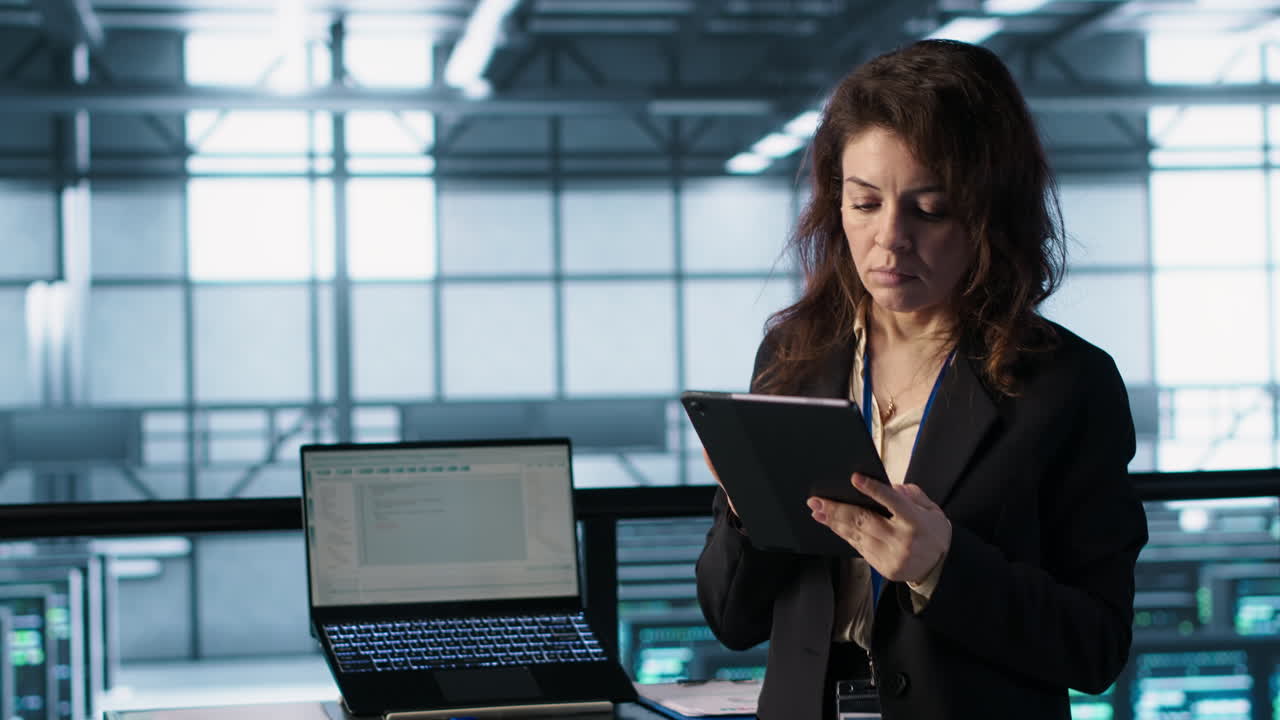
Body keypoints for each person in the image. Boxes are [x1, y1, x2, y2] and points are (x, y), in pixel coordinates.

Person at [694, 39, 1149, 720]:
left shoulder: (1066, 384)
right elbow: (732, 620)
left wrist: (944, 566)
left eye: (929, 209)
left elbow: (1095, 648)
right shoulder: (795, 356)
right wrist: (744, 507)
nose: (889, 240)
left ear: (990, 213)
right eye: (864, 203)